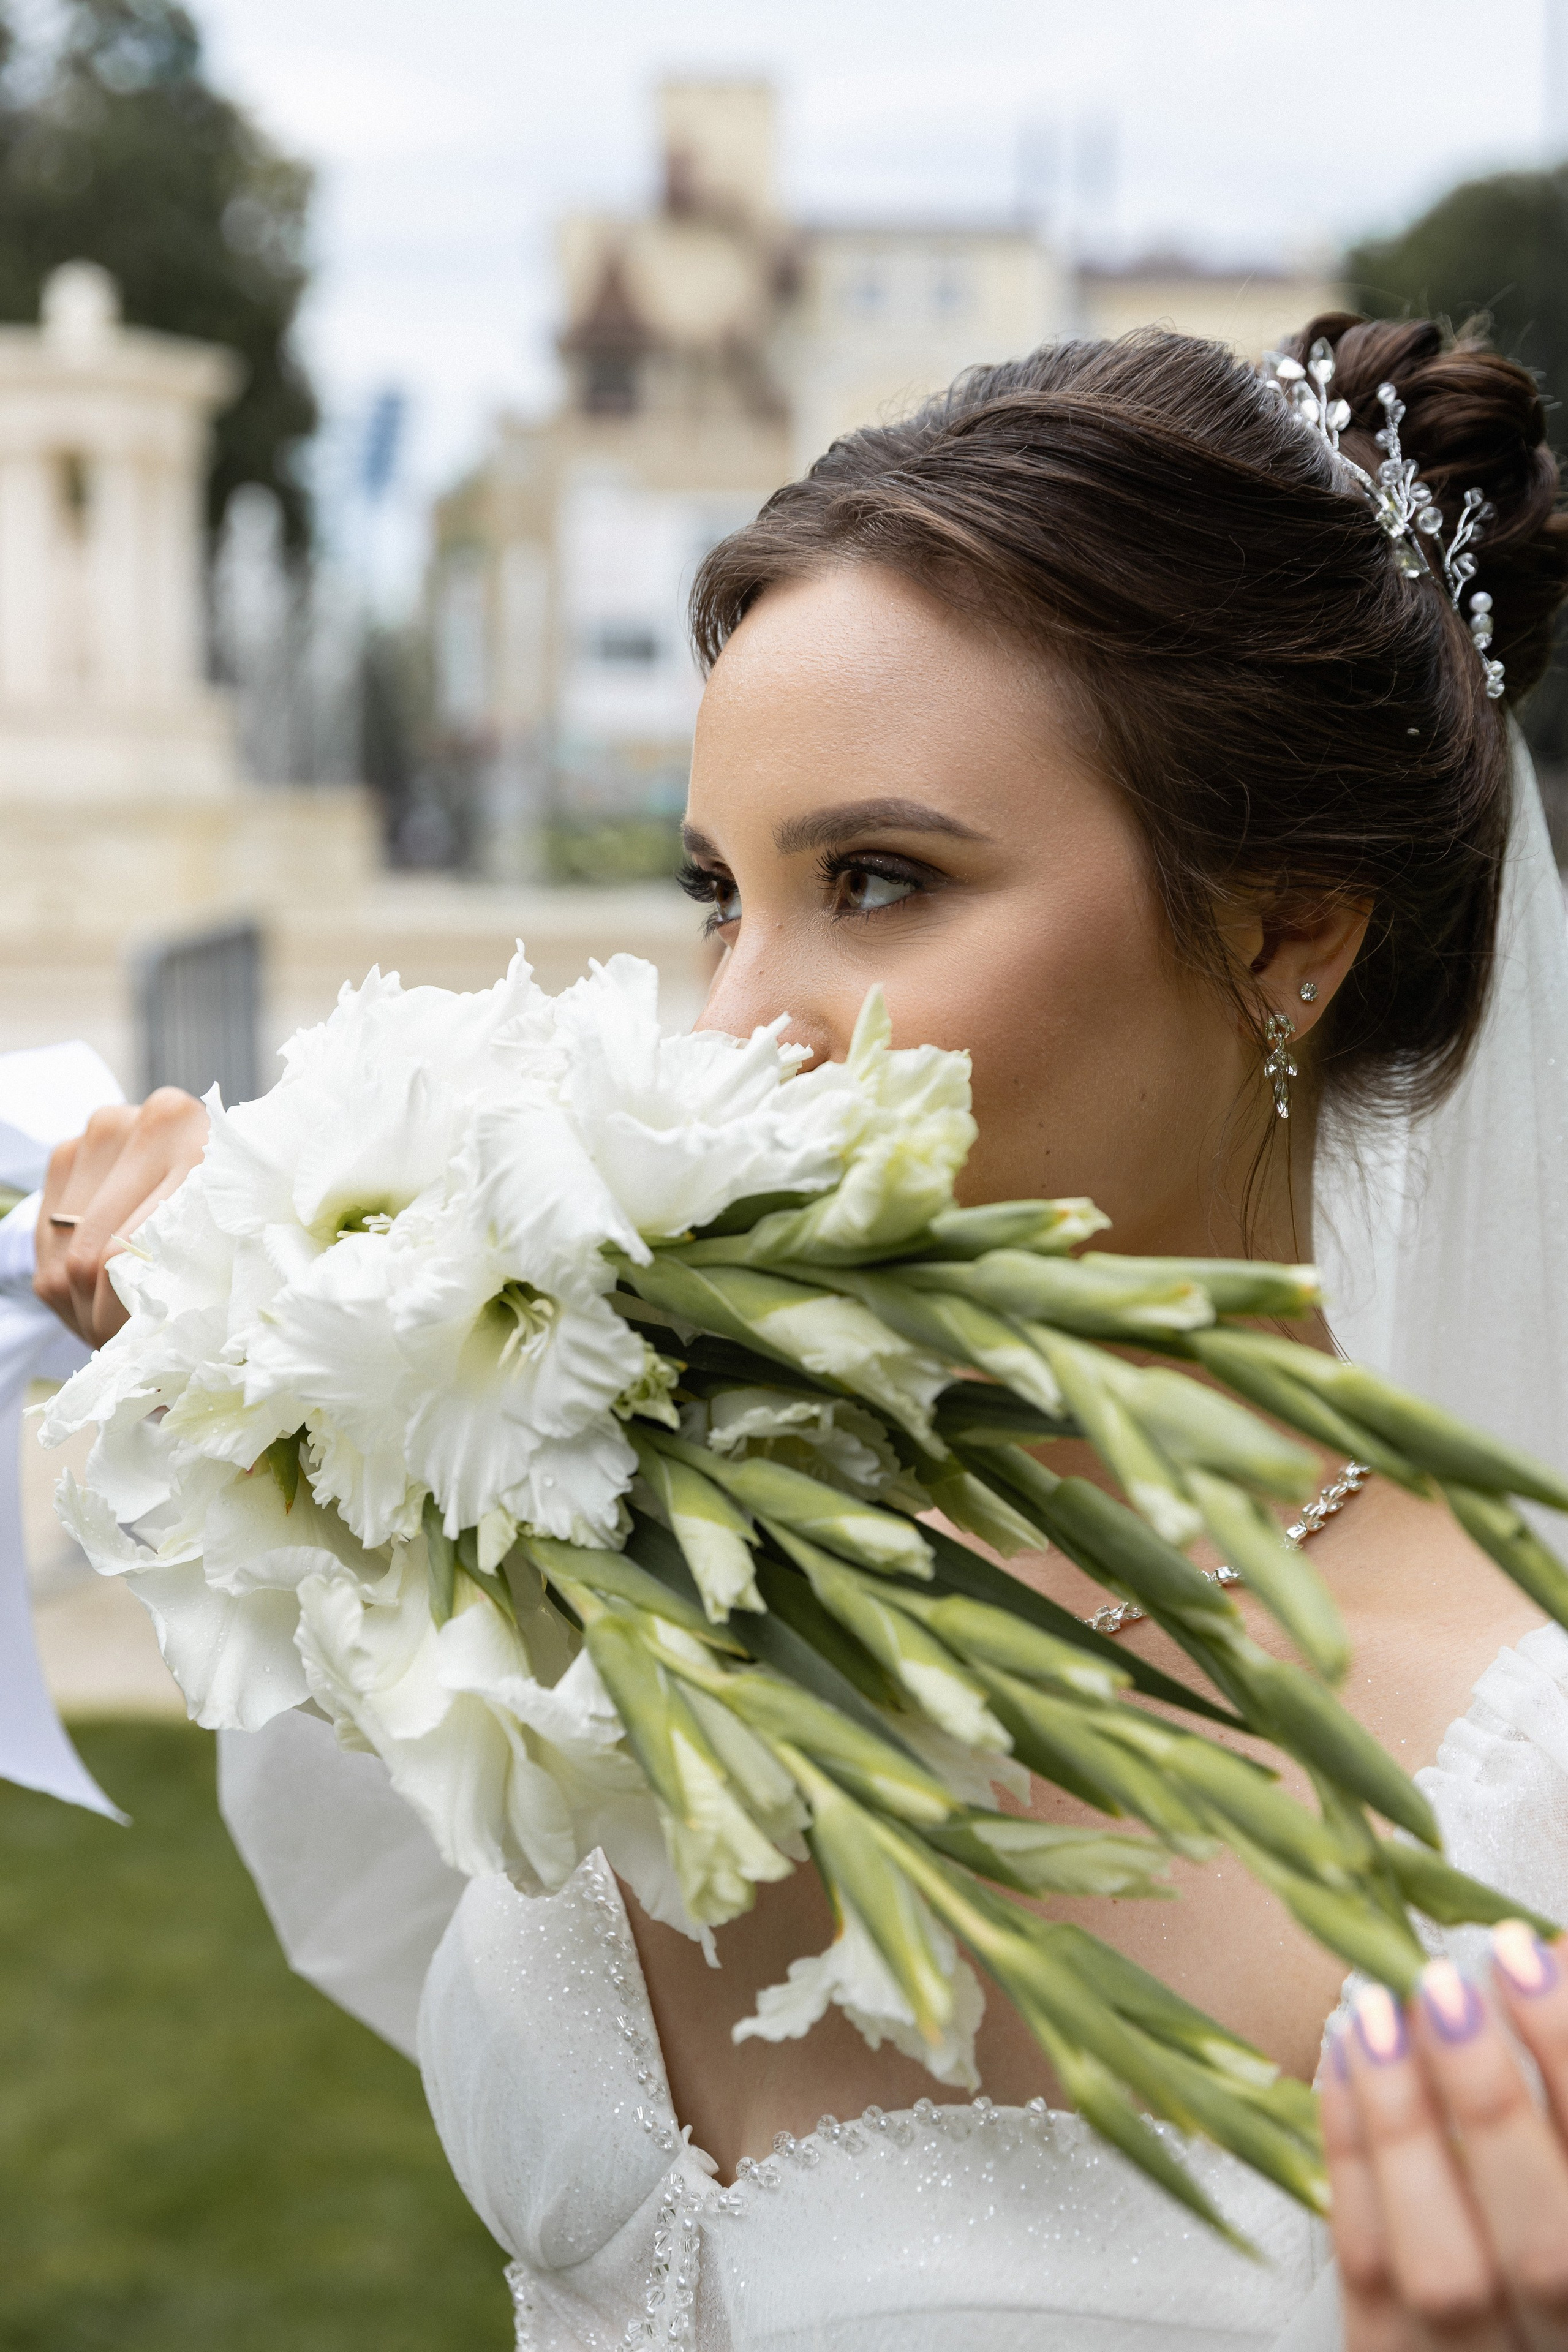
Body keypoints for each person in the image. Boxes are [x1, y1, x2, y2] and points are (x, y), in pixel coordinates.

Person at [37, 314, 1568, 2350]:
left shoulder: (1505, 1817)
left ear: (1288, 929)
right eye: (716, 896)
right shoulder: (630, 1511)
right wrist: (257, 1341)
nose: (743, 1020)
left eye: (875, 879)